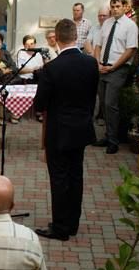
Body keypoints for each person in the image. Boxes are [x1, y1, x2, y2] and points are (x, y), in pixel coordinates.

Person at [34, 19, 100, 242]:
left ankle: (60, 227)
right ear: (75, 37)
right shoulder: (91, 63)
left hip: (59, 131)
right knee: (76, 175)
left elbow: (40, 103)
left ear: (57, 39)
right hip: (81, 128)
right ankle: (72, 224)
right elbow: (92, 95)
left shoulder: (52, 67)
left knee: (59, 178)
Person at [92, 0, 138, 154]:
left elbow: (130, 50)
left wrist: (113, 67)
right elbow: (98, 45)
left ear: (125, 7)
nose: (115, 9)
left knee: (111, 104)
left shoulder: (130, 26)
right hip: (102, 67)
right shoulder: (107, 23)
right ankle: (108, 135)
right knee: (104, 104)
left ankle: (113, 141)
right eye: (112, 6)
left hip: (118, 69)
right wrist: (98, 63)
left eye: (118, 6)